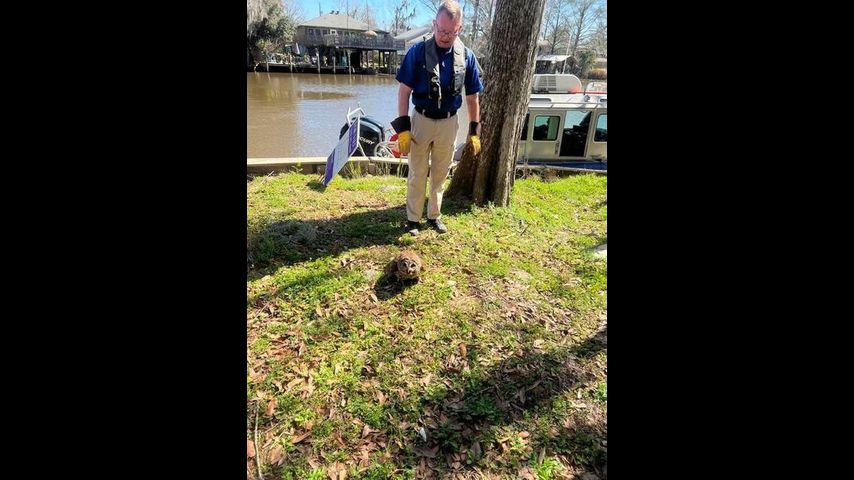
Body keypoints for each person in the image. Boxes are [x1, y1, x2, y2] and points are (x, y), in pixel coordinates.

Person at [391, 0, 484, 236]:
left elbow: (473, 97)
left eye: (451, 32)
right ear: (434, 25)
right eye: (441, 31)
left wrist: (474, 131)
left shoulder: (467, 56)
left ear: (459, 29)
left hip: (449, 123)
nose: (445, 37)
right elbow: (404, 91)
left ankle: (434, 216)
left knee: (441, 173)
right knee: (417, 172)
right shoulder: (417, 52)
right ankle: (413, 220)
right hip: (421, 120)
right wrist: (403, 128)